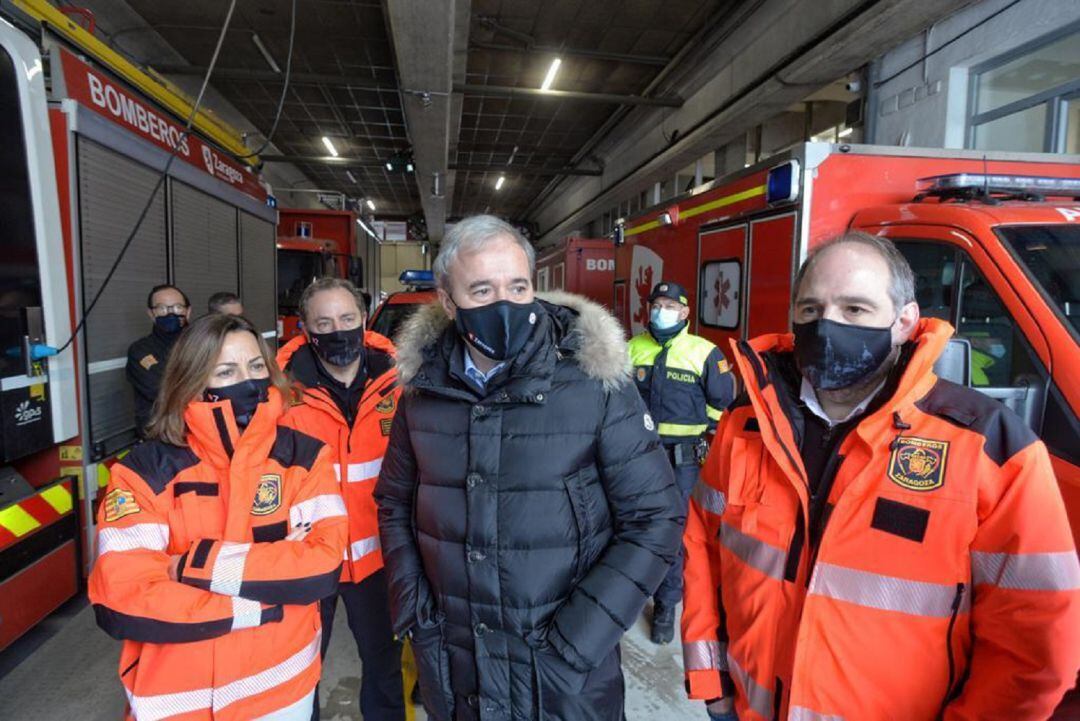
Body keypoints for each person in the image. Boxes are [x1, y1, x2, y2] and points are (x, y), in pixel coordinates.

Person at [681, 232, 1080, 721]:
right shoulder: (745, 425)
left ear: (904, 321)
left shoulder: (988, 447)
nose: (827, 326)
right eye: (811, 309)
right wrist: (710, 678)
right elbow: (699, 547)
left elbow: (1036, 641)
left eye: (855, 309)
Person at [374, 214, 683, 721]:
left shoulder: (593, 383)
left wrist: (577, 641)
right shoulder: (422, 391)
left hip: (563, 677)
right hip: (455, 666)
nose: (505, 304)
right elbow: (394, 503)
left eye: (517, 286)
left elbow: (655, 517)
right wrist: (416, 610)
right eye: (481, 290)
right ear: (449, 302)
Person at [89, 313, 348, 720]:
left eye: (256, 366)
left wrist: (189, 565)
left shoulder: (305, 457)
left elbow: (321, 567)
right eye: (225, 371)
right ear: (192, 381)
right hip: (177, 700)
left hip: (282, 694)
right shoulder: (142, 472)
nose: (247, 380)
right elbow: (122, 599)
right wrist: (262, 600)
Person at [277, 278, 406, 721]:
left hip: (376, 557)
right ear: (306, 330)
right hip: (307, 558)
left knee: (385, 667)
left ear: (363, 319)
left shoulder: (399, 381)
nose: (339, 330)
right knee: (298, 671)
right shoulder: (280, 393)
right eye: (325, 322)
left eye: (348, 319)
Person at [628, 280, 735, 644]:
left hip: (681, 462)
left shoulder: (705, 353)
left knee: (672, 536)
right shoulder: (631, 348)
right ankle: (627, 598)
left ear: (686, 312)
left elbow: (722, 407)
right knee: (631, 529)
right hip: (635, 458)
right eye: (657, 304)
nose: (661, 311)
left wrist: (703, 438)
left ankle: (665, 606)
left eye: (670, 306)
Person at [126, 284, 190, 435]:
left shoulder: (202, 345)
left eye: (178, 307)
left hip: (203, 431)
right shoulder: (141, 351)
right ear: (151, 313)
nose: (170, 313)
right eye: (162, 308)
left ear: (188, 311)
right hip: (161, 434)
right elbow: (163, 390)